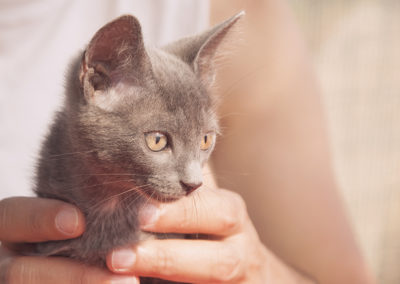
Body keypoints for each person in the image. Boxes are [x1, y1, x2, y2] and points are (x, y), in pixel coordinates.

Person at [0, 0, 376, 283]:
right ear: (99, 81)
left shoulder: (232, 8)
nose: (193, 178)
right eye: (160, 141)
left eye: (205, 140)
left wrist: (257, 273)